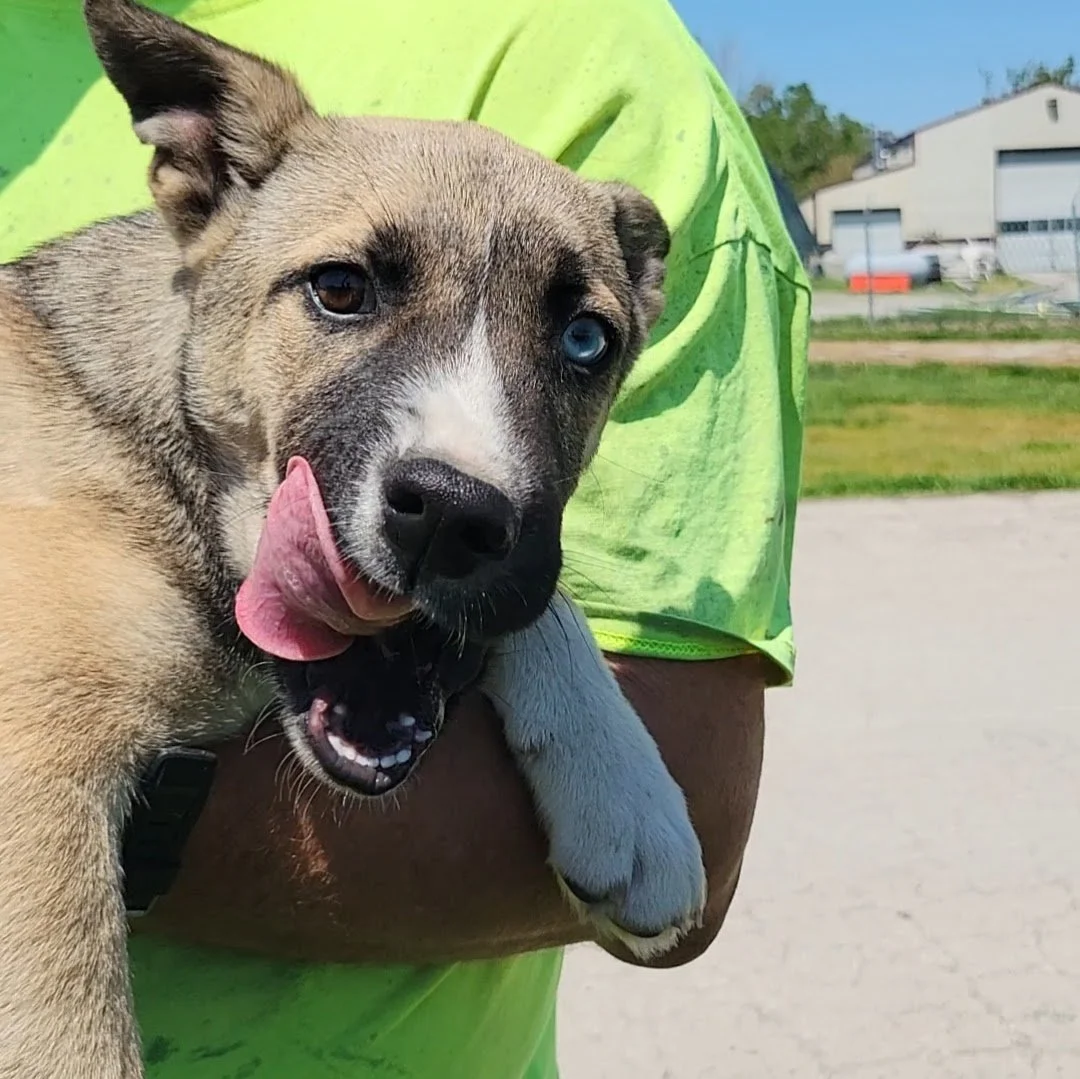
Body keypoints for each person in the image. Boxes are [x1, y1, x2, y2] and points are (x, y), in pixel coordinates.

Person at [0, 0, 807, 1074]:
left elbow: (687, 866)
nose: (471, 459)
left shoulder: (598, 52)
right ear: (209, 185)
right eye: (343, 289)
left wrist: (547, 654)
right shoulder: (55, 414)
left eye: (579, 338)